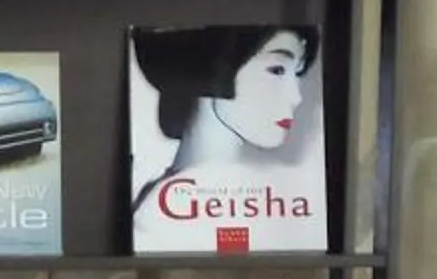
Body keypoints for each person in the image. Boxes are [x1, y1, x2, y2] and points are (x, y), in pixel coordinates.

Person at [131, 24, 318, 235]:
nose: (296, 98)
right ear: (214, 70)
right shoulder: (159, 214)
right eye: (277, 70)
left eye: (297, 73)